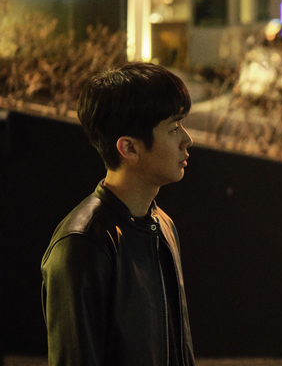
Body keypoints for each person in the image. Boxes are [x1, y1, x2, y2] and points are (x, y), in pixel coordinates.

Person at [41, 63, 196, 365]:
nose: (187, 139)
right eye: (174, 128)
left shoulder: (162, 224)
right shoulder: (82, 245)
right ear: (129, 148)